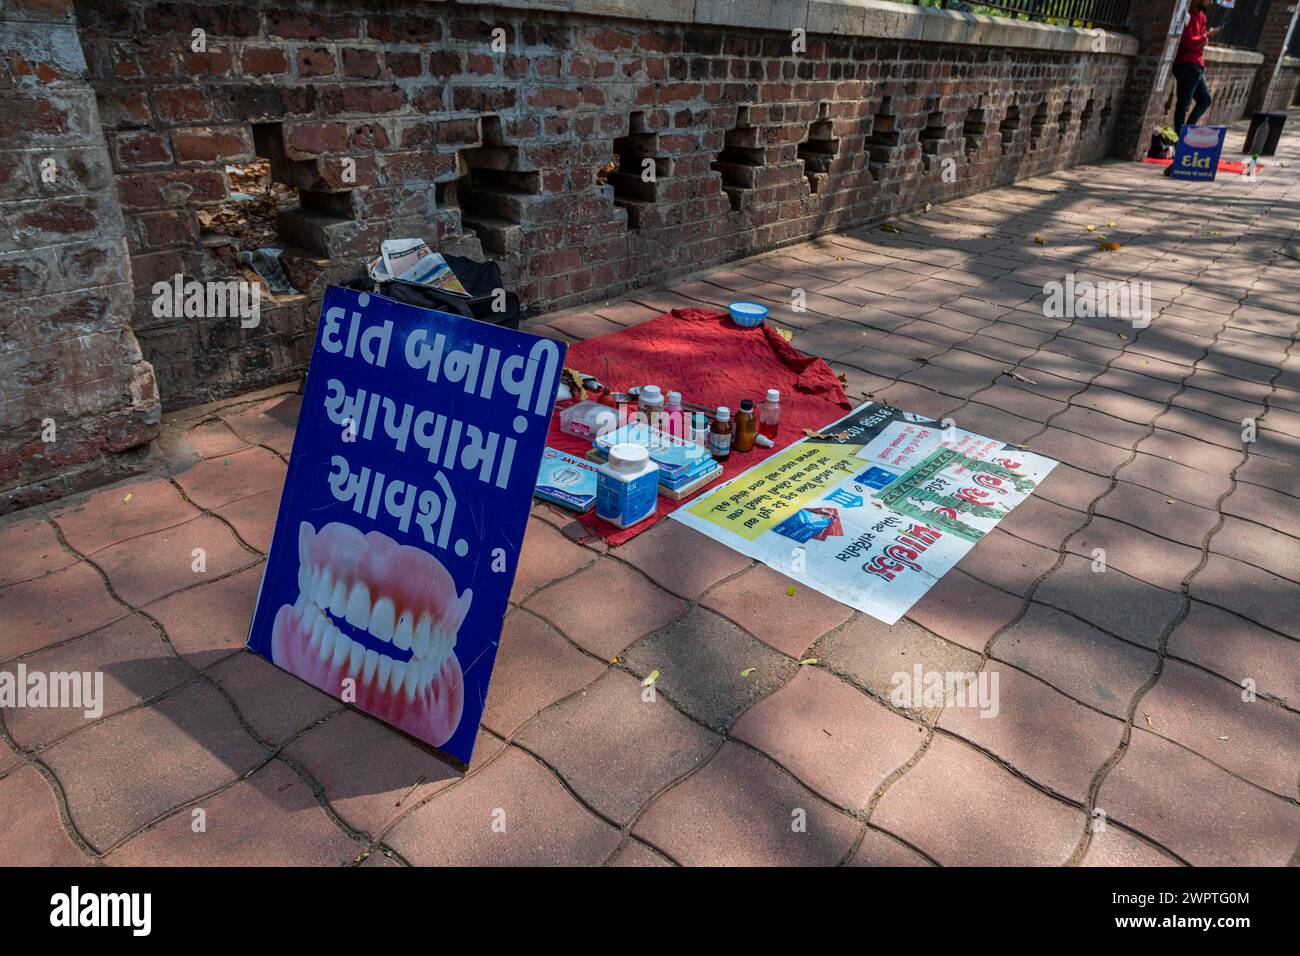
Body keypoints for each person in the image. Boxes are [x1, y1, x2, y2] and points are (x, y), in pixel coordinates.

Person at [1172, 0, 1221, 133]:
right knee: (1183, 104)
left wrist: (1206, 36)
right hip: (1187, 64)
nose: (1211, 3)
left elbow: (1200, 41)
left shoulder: (1202, 16)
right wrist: (1206, 36)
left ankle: (1184, 133)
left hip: (1197, 65)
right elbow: (1189, 43)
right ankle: (1179, 137)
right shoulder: (1186, 14)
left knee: (1205, 100)